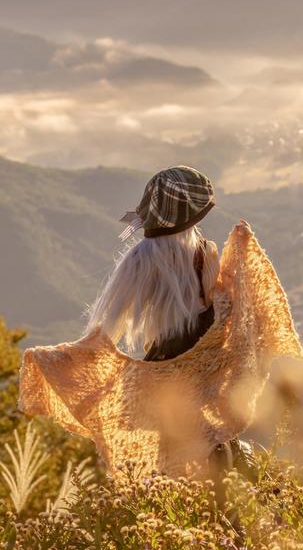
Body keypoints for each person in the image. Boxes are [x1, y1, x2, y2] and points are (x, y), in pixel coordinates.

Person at [86, 165, 251, 479]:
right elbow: (223, 317)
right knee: (219, 447)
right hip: (204, 367)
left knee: (171, 459)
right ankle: (252, 512)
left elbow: (105, 326)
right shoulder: (204, 254)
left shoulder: (141, 257)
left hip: (162, 365)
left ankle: (194, 516)